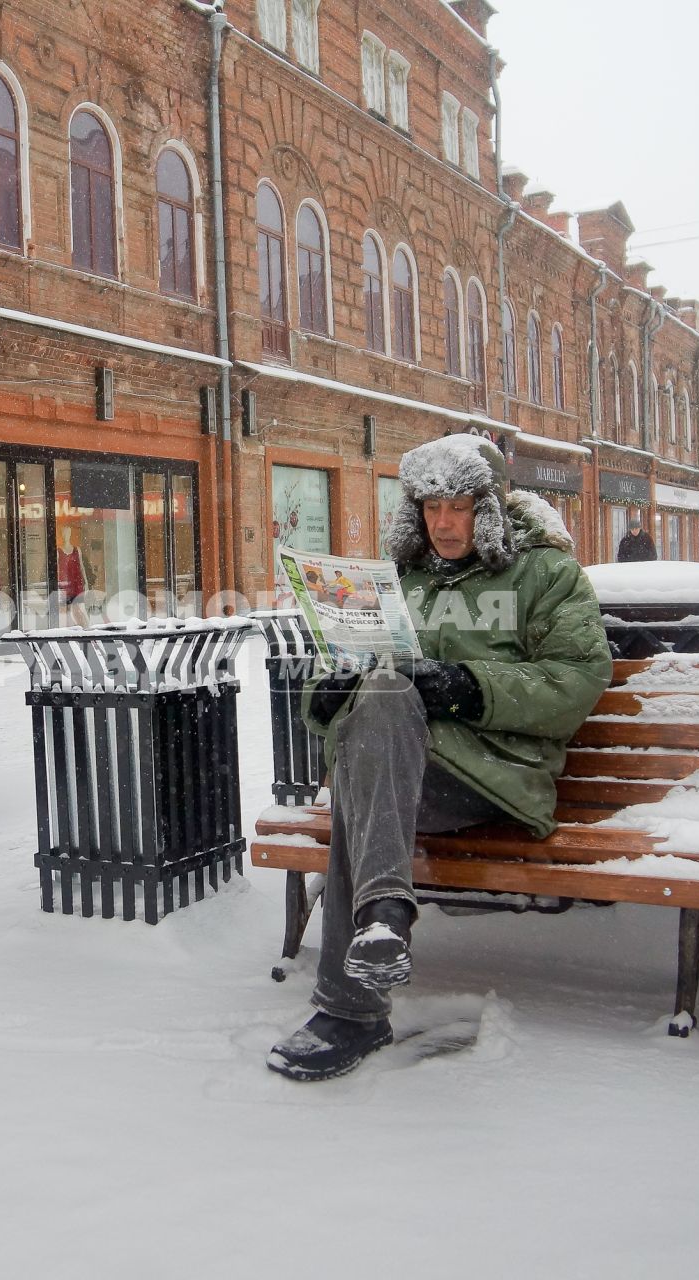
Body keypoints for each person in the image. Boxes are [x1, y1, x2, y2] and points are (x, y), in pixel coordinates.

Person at [267, 434, 613, 1082]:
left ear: (487, 506)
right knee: (377, 715)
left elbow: (577, 680)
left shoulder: (545, 573)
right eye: (431, 507)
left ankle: (352, 1008)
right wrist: (330, 687)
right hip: (402, 769)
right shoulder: (399, 578)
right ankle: (385, 917)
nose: (444, 523)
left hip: (494, 776)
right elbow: (330, 676)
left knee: (361, 782)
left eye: (458, 506)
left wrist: (470, 687)